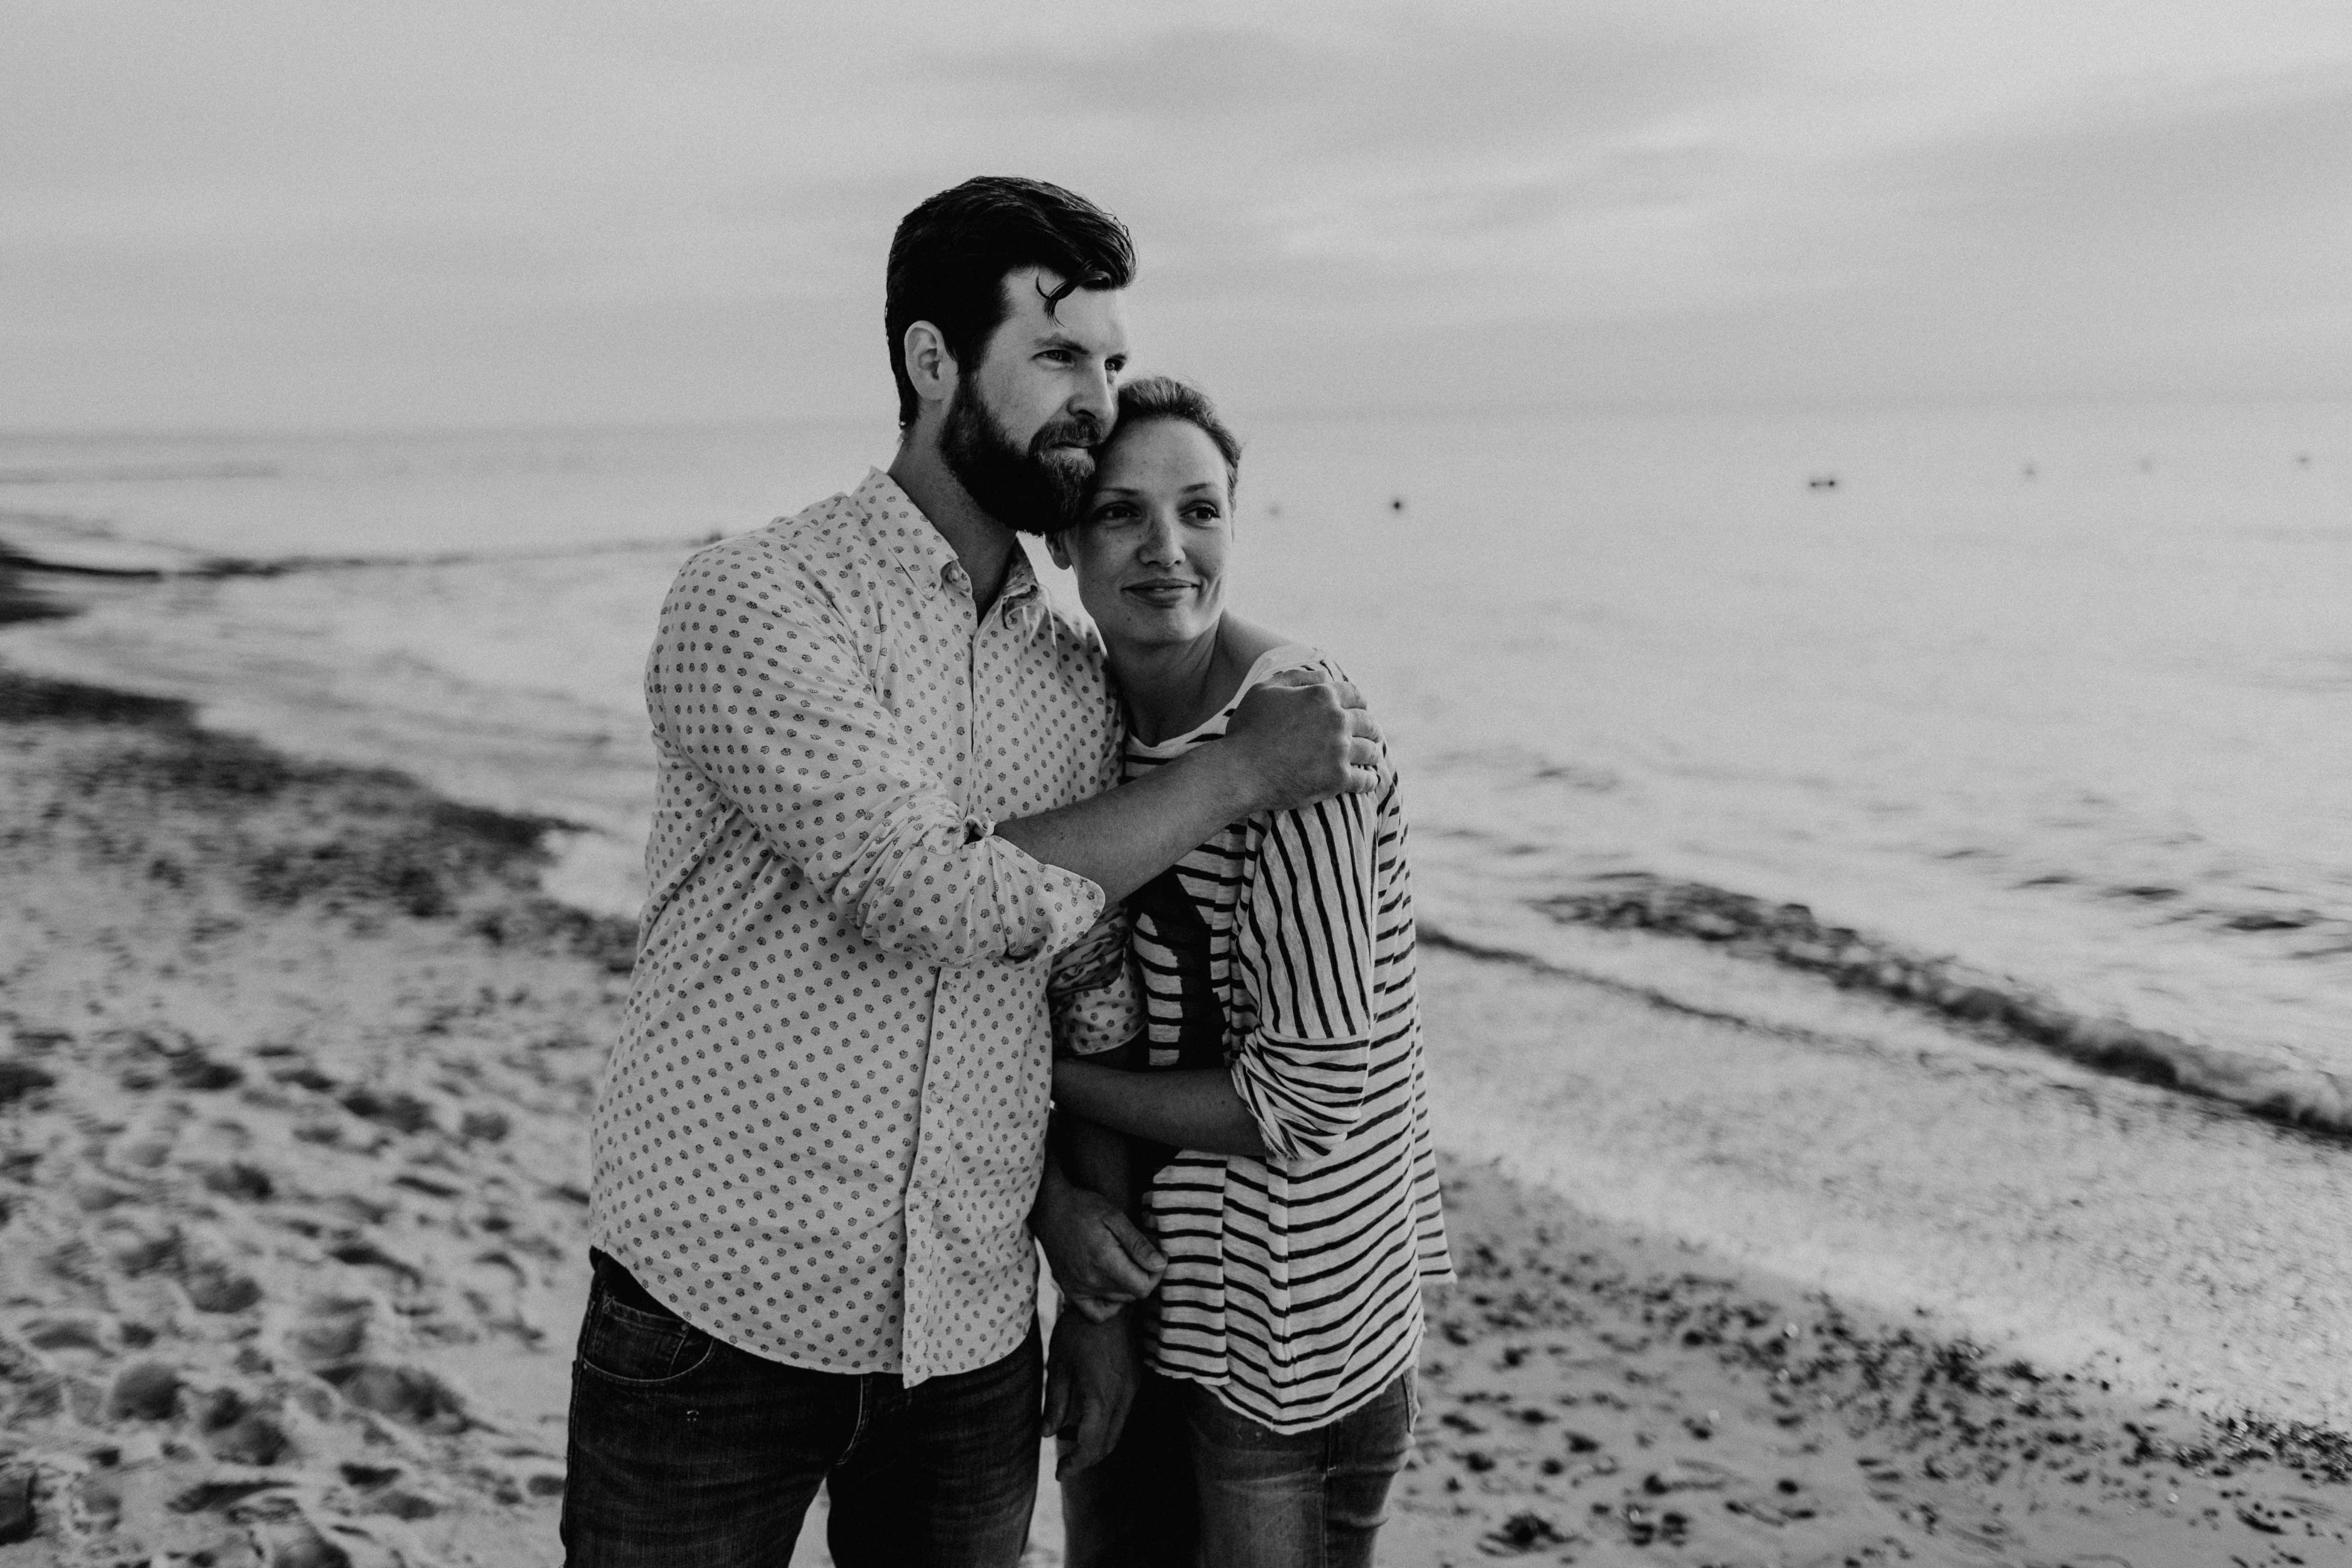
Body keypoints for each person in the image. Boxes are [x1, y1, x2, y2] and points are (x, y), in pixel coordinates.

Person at [560, 179, 1385, 1568]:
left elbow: (1084, 995)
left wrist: (1092, 1274)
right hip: (716, 1311)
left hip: (968, 1341)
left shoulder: (1073, 688)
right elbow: (923, 892)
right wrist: (1236, 774)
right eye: (1060, 355)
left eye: (1111, 361)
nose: (1096, 396)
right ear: (931, 360)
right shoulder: (759, 598)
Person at [1046, 377, 1454, 1568]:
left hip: (1294, 1341)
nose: (1168, 550)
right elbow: (1068, 983)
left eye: (1200, 510)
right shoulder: (1084, 723)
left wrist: (1051, 1081)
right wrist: (1077, 1243)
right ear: (1064, 537)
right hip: (1148, 1300)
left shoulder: (1304, 737)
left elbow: (1309, 1099)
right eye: (1122, 514)